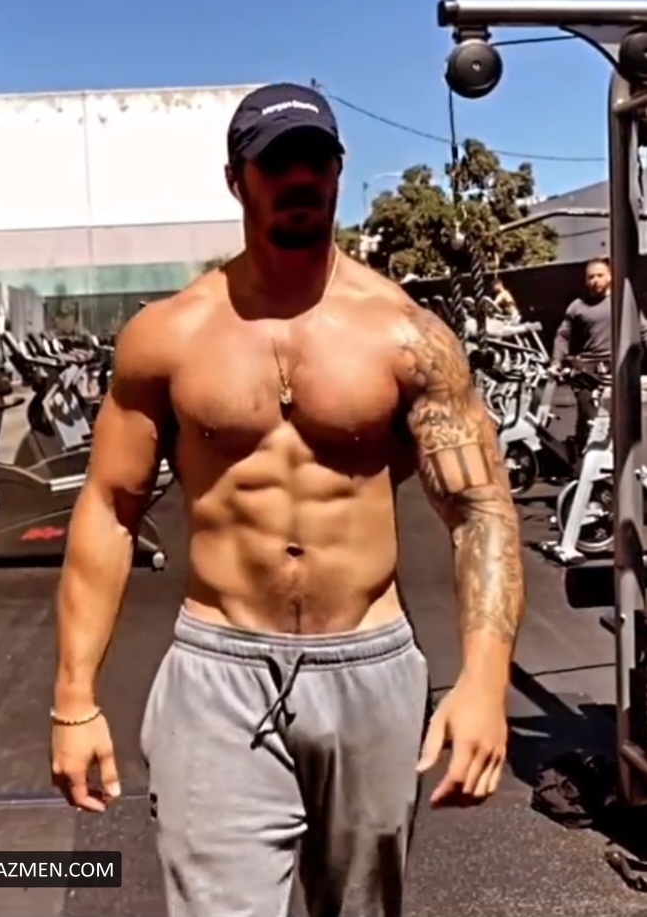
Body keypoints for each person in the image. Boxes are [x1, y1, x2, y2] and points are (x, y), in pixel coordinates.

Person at [50, 82, 525, 917]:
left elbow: (479, 509)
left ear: (338, 171)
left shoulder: (406, 335)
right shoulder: (168, 334)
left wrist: (484, 682)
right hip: (218, 669)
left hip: (370, 665)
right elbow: (111, 507)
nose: (299, 177)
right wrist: (73, 698)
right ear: (237, 180)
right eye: (276, 163)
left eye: (315, 159)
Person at [551, 257, 647, 451]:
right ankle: (580, 456)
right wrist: (556, 362)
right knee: (589, 421)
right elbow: (563, 336)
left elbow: (644, 331)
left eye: (600, 275)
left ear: (610, 276)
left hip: (617, 371)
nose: (595, 280)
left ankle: (618, 461)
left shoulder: (623, 302)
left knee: (620, 423)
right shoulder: (577, 306)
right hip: (587, 373)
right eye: (591, 277)